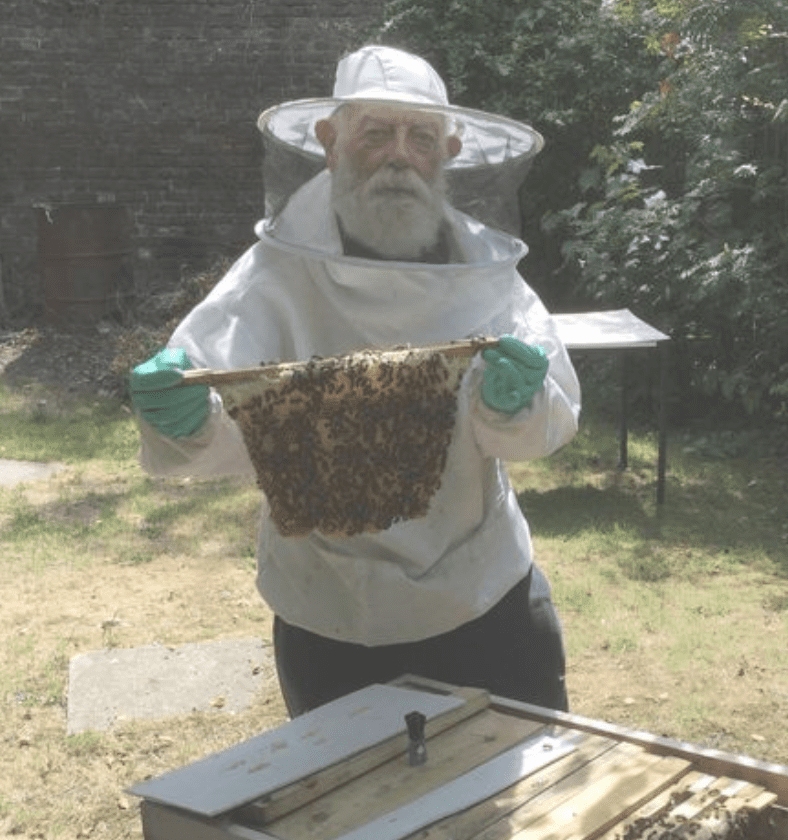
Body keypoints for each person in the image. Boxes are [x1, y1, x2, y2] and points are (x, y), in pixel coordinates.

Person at [130, 45, 581, 717]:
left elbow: (546, 425)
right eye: (375, 133)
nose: (399, 155)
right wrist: (186, 419)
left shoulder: (487, 272)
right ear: (330, 143)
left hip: (482, 593)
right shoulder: (274, 274)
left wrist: (516, 404)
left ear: (449, 151)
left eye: (420, 137)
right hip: (326, 608)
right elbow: (223, 412)